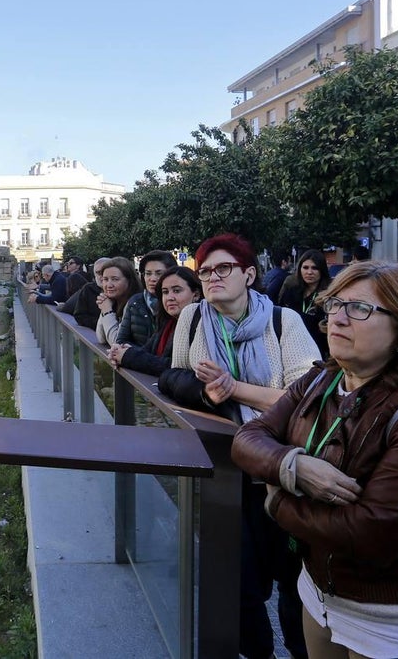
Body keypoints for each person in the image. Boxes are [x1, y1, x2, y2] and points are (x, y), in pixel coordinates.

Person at [232, 261, 398, 658]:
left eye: (360, 309)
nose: (338, 319)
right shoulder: (321, 379)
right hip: (321, 597)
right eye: (335, 304)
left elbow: (369, 533)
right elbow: (247, 438)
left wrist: (275, 498)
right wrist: (292, 466)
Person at [159, 233, 319, 659]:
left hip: (280, 471)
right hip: (225, 469)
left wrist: (234, 388)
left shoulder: (284, 322)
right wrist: (205, 392)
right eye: (205, 270)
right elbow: (173, 377)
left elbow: (307, 395)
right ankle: (258, 653)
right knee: (241, 584)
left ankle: (301, 650)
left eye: (223, 268)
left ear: (249, 274)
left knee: (294, 580)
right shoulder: (192, 318)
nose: (212, 277)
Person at [108, 265, 200, 376]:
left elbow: (179, 368)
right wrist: (121, 351)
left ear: (196, 295)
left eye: (176, 290)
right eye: (165, 292)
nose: (170, 297)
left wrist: (129, 356)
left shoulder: (200, 325)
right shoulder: (166, 322)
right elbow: (147, 351)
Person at [117, 250, 178, 348]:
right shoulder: (135, 302)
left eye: (159, 273)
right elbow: (121, 340)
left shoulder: (177, 303)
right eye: (148, 273)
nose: (152, 279)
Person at [279, 250, 332, 357]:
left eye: (315, 268)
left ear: (322, 270)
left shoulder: (329, 296)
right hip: (290, 349)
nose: (309, 272)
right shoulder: (291, 292)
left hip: (317, 352)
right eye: (305, 267)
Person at [95, 256, 138, 347]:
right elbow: (101, 338)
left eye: (115, 279)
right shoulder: (113, 301)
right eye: (105, 279)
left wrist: (107, 312)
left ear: (129, 281)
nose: (109, 285)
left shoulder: (136, 304)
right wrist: (104, 309)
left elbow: (117, 343)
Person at [60, 258, 109, 329]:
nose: (102, 276)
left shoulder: (123, 290)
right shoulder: (88, 289)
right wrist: (101, 324)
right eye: (98, 273)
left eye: (104, 272)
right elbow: (79, 315)